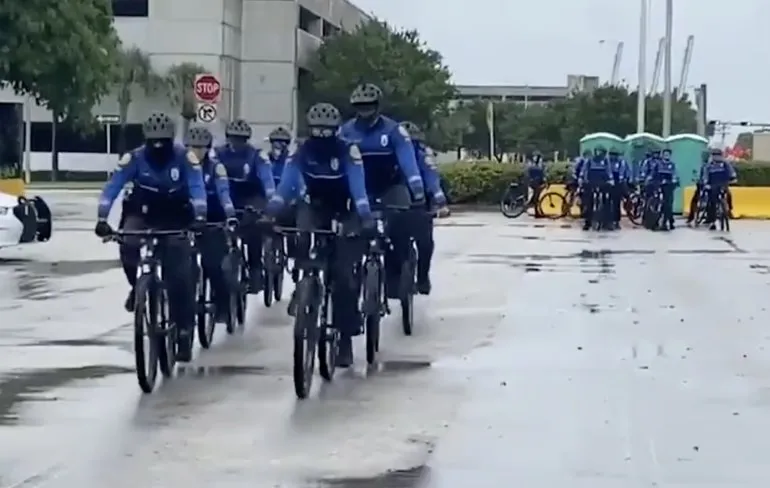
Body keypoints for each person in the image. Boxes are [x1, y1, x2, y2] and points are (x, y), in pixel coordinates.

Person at [266, 102, 373, 367]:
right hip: (314, 207)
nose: (321, 136)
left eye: (327, 131)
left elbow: (358, 189)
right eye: (317, 131)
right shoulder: (302, 151)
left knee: (344, 276)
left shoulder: (348, 151)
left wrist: (365, 216)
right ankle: (304, 286)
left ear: (336, 131)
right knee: (301, 236)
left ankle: (345, 338)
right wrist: (271, 211)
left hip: (345, 209)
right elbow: (287, 185)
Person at [94, 112, 206, 362]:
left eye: (163, 141)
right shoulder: (134, 158)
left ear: (171, 139)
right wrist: (102, 218)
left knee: (180, 275)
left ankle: (184, 330)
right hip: (142, 213)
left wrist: (200, 215)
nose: (158, 146)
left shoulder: (184, 158)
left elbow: (197, 187)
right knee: (127, 246)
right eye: (153, 141)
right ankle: (138, 288)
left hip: (177, 216)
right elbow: (113, 187)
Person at [339, 83, 425, 299]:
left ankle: (396, 278)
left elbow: (408, 161)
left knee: (399, 229)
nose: (364, 110)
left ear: (377, 106)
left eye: (369, 106)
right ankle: (351, 280)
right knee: (350, 235)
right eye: (360, 106)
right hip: (360, 189)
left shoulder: (394, 131)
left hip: (391, 186)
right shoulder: (345, 131)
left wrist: (417, 189)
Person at [213, 119, 275, 293]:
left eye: (241, 139)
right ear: (227, 138)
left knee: (254, 227)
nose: (237, 143)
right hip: (228, 194)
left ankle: (255, 268)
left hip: (252, 195)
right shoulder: (217, 154)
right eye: (233, 139)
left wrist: (270, 201)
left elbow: (267, 180)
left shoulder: (256, 155)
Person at [186, 126, 237, 323]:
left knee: (214, 265)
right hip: (187, 219)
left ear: (208, 149)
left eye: (201, 148)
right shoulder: (182, 166)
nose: (197, 152)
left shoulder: (216, 168)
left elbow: (224, 194)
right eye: (193, 147)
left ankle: (223, 305)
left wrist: (230, 215)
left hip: (213, 220)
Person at [400, 121, 450, 295]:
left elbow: (431, 176)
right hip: (395, 202)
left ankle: (422, 278)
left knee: (425, 243)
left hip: (421, 202)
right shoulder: (388, 153)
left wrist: (440, 200)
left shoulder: (422, 154)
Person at [579, 145, 614, 230]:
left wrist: (611, 179)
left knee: (607, 202)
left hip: (603, 183)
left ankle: (607, 222)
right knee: (589, 202)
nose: (599, 153)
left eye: (601, 152)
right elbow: (584, 170)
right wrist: (582, 178)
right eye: (598, 151)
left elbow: (608, 171)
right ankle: (588, 222)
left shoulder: (605, 161)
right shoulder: (590, 160)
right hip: (591, 182)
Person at [702, 148, 737, 230]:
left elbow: (731, 172)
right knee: (712, 202)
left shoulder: (725, 164)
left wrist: (733, 178)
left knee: (729, 195)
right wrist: (706, 183)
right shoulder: (709, 165)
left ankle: (729, 210)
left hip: (723, 184)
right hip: (712, 185)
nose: (716, 157)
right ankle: (712, 221)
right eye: (714, 155)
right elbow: (705, 176)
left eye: (718, 155)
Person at [647, 147, 678, 230]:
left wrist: (674, 180)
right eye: (665, 154)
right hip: (659, 184)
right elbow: (653, 173)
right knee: (655, 200)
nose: (666, 156)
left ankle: (669, 222)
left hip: (668, 185)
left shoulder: (672, 165)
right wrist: (650, 178)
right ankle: (654, 221)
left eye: (668, 154)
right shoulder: (658, 164)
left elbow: (674, 174)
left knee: (668, 204)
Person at [686, 149, 712, 225]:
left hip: (710, 184)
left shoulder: (710, 165)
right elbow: (696, 174)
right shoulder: (700, 165)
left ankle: (709, 217)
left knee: (712, 200)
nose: (705, 157)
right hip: (701, 184)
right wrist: (696, 179)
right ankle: (691, 217)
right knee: (695, 200)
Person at [608, 147, 632, 229]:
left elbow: (627, 173)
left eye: (614, 155)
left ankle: (616, 221)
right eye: (611, 154)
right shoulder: (607, 162)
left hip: (618, 184)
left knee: (616, 203)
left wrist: (625, 180)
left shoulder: (622, 162)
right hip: (608, 183)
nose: (613, 156)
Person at [525, 150, 546, 217]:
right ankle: (535, 211)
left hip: (536, 181)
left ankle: (535, 210)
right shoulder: (532, 164)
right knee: (536, 197)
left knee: (537, 197)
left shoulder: (538, 164)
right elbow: (535, 171)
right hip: (534, 182)